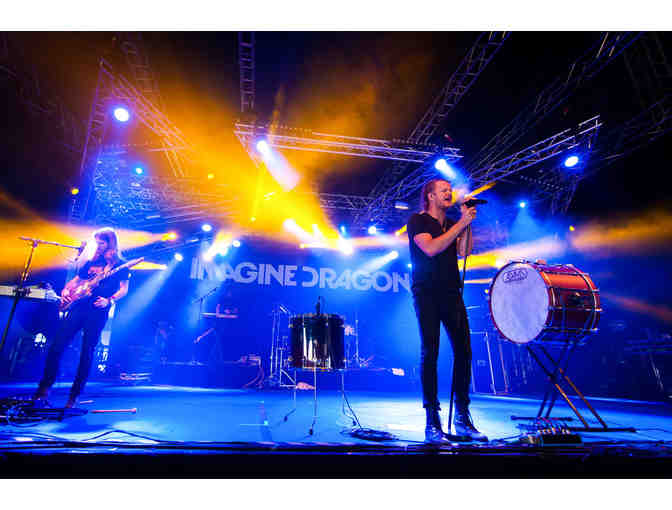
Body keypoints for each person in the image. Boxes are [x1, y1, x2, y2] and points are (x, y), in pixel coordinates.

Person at [407, 178, 487, 443]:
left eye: (450, 190)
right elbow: (431, 249)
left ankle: (462, 417)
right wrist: (461, 224)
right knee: (430, 351)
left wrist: (467, 223)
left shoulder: (452, 224)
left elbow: (464, 251)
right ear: (430, 196)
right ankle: (432, 420)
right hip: (427, 292)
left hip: (452, 292)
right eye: (443, 190)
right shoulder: (418, 221)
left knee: (464, 351)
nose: (449, 193)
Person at [33, 228, 130, 408]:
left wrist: (109, 300)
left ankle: (74, 396)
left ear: (110, 243)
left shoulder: (121, 265)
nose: (98, 246)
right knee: (56, 346)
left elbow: (124, 289)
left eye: (101, 243)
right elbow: (77, 280)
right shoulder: (93, 261)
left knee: (87, 352)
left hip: (97, 311)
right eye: (97, 242)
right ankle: (44, 389)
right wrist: (66, 290)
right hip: (78, 307)